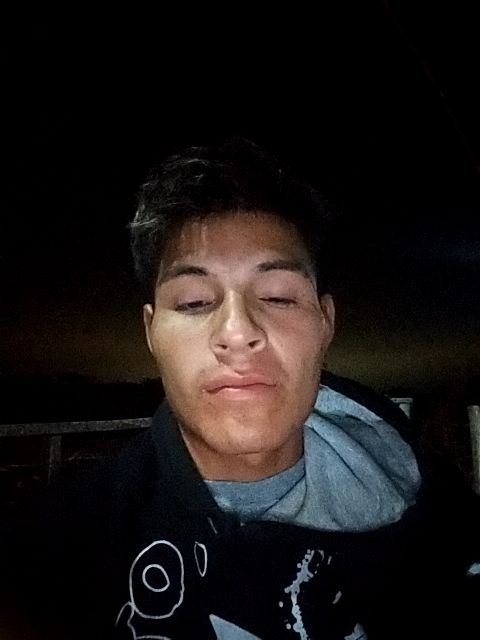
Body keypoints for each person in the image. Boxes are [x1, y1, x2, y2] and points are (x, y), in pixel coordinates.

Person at [1, 137, 479, 639]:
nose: (237, 331)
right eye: (193, 302)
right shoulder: (62, 547)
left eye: (278, 296)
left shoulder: (432, 504)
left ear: (325, 322)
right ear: (151, 333)